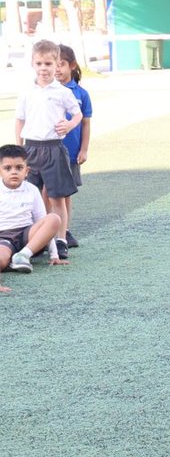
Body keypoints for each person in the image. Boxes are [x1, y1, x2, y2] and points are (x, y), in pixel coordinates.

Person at [14, 40, 81, 261]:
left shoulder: (62, 92)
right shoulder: (26, 92)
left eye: (48, 64)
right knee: (28, 197)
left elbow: (77, 114)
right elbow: (20, 120)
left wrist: (69, 125)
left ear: (57, 64)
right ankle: (36, 241)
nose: (43, 68)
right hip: (31, 149)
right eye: (39, 63)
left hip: (54, 149)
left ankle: (61, 240)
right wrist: (19, 149)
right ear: (33, 64)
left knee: (57, 198)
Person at [0, 143, 64, 289]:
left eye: (19, 168)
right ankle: (10, 260)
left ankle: (22, 256)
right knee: (1, 260)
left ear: (27, 171)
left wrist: (54, 255)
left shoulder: (32, 189)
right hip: (4, 238)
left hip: (28, 236)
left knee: (53, 219)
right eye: (8, 168)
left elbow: (42, 220)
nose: (14, 172)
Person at [53, 45, 92, 249]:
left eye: (61, 64)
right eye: (54, 64)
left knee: (66, 193)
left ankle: (65, 231)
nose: (57, 69)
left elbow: (85, 123)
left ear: (72, 65)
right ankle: (48, 232)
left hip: (71, 152)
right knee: (47, 192)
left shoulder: (81, 94)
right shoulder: (47, 91)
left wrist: (84, 149)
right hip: (49, 150)